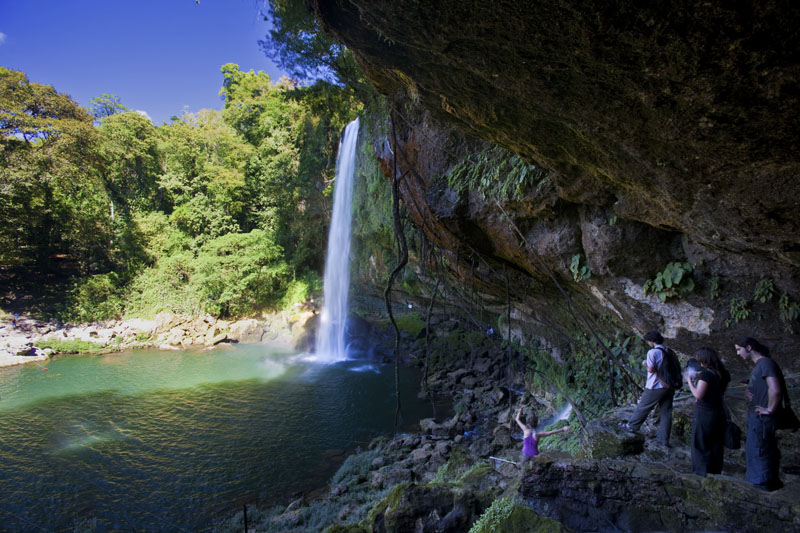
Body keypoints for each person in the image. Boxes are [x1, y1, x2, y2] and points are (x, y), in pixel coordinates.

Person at [737, 336, 784, 491]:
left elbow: (775, 390)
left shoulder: (766, 364)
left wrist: (769, 409)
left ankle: (760, 487)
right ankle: (762, 483)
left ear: (749, 348)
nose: (738, 353)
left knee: (759, 451)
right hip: (757, 417)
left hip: (762, 418)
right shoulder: (760, 365)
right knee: (757, 449)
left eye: (739, 349)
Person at [621, 330, 675, 447]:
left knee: (644, 406)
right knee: (666, 412)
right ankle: (663, 440)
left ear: (651, 341)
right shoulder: (668, 351)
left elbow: (651, 369)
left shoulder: (653, 352)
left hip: (655, 386)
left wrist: (645, 364)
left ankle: (632, 426)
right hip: (669, 386)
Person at [685, 347, 728, 476]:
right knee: (715, 443)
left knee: (700, 442)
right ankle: (715, 471)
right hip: (717, 412)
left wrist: (690, 381)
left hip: (704, 413)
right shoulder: (720, 373)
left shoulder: (706, 374)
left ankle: (700, 472)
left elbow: (698, 394)